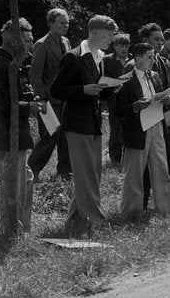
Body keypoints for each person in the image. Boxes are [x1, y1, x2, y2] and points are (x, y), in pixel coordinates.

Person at [50, 14, 119, 234]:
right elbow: (57, 90)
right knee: (87, 174)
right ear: (94, 32)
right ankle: (95, 221)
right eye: (109, 35)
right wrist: (82, 90)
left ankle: (73, 221)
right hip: (77, 123)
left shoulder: (100, 56)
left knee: (92, 172)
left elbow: (99, 92)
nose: (111, 40)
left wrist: (113, 87)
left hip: (94, 122)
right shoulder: (74, 57)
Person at [115, 42, 170, 220]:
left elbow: (160, 99)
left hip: (156, 125)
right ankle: (131, 213)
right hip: (136, 130)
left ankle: (167, 210)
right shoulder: (125, 80)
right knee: (134, 173)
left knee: (161, 169)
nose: (152, 60)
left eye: (153, 56)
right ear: (138, 58)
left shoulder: (156, 76)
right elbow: (118, 110)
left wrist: (166, 101)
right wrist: (135, 106)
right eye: (149, 57)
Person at [0, 18, 39, 231]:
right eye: (27, 41)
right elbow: (3, 105)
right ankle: (12, 229)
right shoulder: (3, 66)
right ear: (12, 40)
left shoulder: (15, 63)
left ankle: (20, 227)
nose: (31, 46)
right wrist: (29, 107)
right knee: (15, 182)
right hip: (5, 134)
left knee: (24, 179)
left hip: (14, 132)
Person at [138, 23, 170, 202]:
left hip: (168, 119)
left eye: (161, 39)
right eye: (155, 39)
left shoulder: (165, 62)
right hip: (148, 120)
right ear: (145, 40)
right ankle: (141, 206)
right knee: (146, 168)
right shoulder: (137, 65)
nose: (160, 43)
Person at [27, 8, 72, 180]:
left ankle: (65, 173)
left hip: (64, 99)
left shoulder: (66, 42)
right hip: (49, 100)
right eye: (62, 22)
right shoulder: (42, 44)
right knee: (49, 138)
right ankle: (30, 171)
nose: (65, 25)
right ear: (51, 23)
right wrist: (42, 99)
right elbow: (35, 75)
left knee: (65, 137)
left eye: (67, 22)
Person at [104, 32, 131, 167]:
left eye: (126, 45)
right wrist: (113, 85)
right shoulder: (107, 60)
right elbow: (103, 78)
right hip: (113, 99)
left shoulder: (132, 60)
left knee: (127, 129)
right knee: (115, 129)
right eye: (121, 45)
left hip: (129, 99)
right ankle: (115, 158)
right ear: (114, 46)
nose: (124, 48)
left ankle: (126, 157)